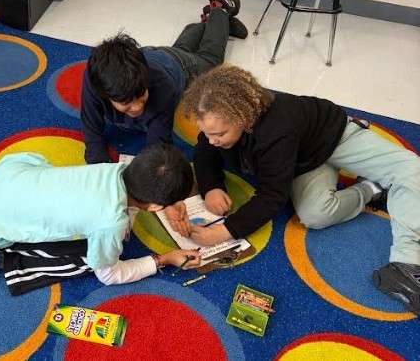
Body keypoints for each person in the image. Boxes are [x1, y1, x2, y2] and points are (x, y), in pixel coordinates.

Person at [177, 64, 420, 315]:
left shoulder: (276, 129)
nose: (212, 139)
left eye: (219, 133)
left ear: (243, 118)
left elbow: (272, 196)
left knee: (412, 168)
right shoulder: (216, 127)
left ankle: (406, 262)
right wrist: (212, 186)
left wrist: (226, 231)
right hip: (301, 163)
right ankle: (372, 188)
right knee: (315, 215)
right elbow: (205, 151)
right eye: (206, 132)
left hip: (336, 138)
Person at [0, 143, 201, 296]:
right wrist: (163, 259)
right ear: (156, 206)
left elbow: (128, 200)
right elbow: (109, 275)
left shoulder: (112, 168)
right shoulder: (110, 224)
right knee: (90, 259)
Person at [81, 0, 248, 164]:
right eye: (126, 103)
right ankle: (209, 23)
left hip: (179, 67)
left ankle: (220, 10)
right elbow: (91, 133)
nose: (137, 108)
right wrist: (99, 168)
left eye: (141, 95)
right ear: (104, 94)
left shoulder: (162, 87)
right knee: (182, 50)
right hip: (156, 56)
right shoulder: (95, 79)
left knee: (210, 60)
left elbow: (158, 149)